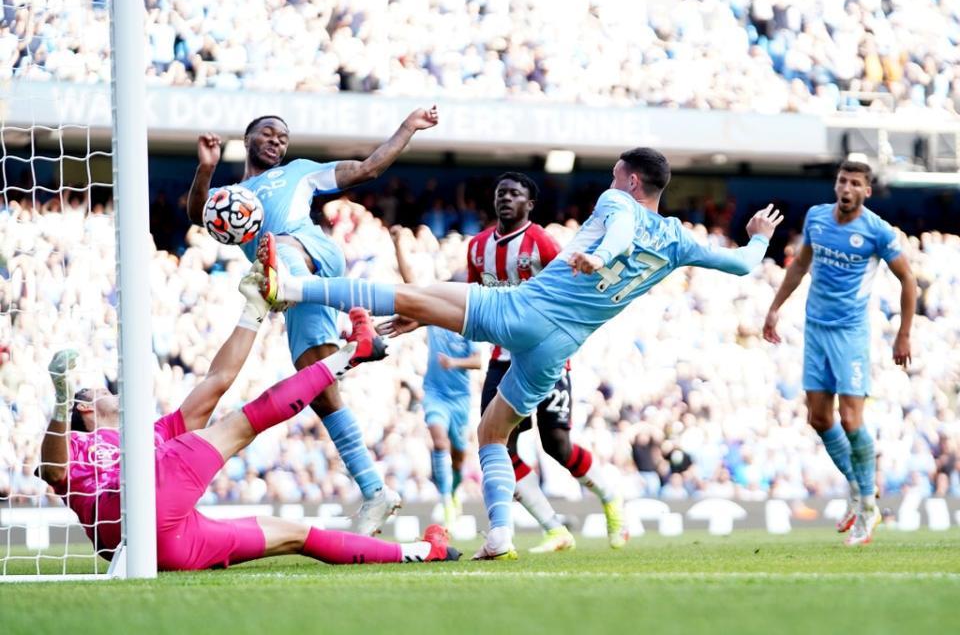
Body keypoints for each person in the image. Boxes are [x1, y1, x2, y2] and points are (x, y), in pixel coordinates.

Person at [257, 147, 782, 559]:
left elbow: (620, 229)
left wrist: (598, 255)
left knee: (409, 296)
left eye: (615, 175)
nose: (611, 183)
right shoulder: (676, 239)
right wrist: (758, 239)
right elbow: (739, 265)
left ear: (631, 180)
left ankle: (293, 289)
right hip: (558, 346)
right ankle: (501, 536)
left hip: (525, 312)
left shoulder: (617, 203)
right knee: (493, 433)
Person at [39, 270, 460, 571]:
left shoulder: (155, 433)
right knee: (242, 424)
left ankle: (422, 553)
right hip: (127, 512)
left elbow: (218, 379)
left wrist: (254, 310)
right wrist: (60, 401)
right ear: (85, 409)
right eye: (100, 391)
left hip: (171, 545)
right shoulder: (76, 444)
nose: (113, 392)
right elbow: (53, 470)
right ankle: (351, 355)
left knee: (295, 533)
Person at [185, 106, 439, 535]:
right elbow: (198, 215)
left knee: (276, 248)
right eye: (268, 133)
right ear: (248, 139)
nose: (277, 141)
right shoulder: (229, 196)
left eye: (283, 137)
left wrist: (408, 127)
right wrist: (205, 170)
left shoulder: (298, 173)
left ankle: (366, 309)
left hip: (308, 252)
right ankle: (376, 491)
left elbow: (367, 169)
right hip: (285, 281)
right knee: (317, 384)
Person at [466, 172, 626, 553]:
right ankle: (552, 528)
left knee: (557, 445)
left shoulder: (541, 242)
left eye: (515, 193)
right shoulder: (476, 247)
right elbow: (474, 295)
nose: (505, 198)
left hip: (547, 357)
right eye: (500, 192)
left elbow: (569, 288)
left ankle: (610, 497)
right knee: (497, 443)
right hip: (502, 359)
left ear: (529, 204)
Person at [762, 160, 915, 546]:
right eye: (842, 181)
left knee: (851, 420)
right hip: (815, 328)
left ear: (866, 191)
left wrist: (904, 334)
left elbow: (908, 280)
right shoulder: (816, 218)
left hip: (851, 333)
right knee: (818, 417)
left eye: (855, 183)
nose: (846, 188)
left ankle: (867, 506)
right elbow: (800, 265)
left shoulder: (878, 231)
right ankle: (859, 487)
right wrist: (775, 307)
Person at [390, 225, 482, 529]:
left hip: (460, 397)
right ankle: (445, 501)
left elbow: (478, 360)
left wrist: (454, 362)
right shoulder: (435, 317)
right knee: (439, 442)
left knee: (458, 454)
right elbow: (411, 287)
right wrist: (398, 244)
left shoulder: (470, 324)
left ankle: (454, 492)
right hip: (436, 394)